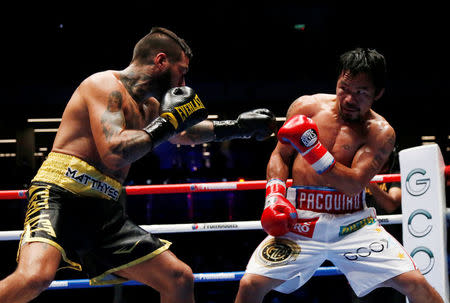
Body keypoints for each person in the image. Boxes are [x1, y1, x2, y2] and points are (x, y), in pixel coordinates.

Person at [0, 27, 276, 303]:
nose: (183, 80)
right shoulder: (104, 86)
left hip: (105, 208)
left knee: (178, 278)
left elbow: (186, 133)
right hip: (61, 192)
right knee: (34, 277)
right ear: (160, 61)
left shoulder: (150, 106)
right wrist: (169, 121)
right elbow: (116, 152)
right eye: (182, 70)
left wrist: (238, 127)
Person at [234, 48, 444, 303]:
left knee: (416, 284)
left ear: (378, 94)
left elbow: (354, 184)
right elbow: (281, 156)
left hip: (353, 224)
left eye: (361, 92)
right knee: (250, 284)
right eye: (344, 88)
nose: (349, 98)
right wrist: (275, 196)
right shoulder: (306, 107)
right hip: (301, 221)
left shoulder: (380, 132)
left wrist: (312, 149)